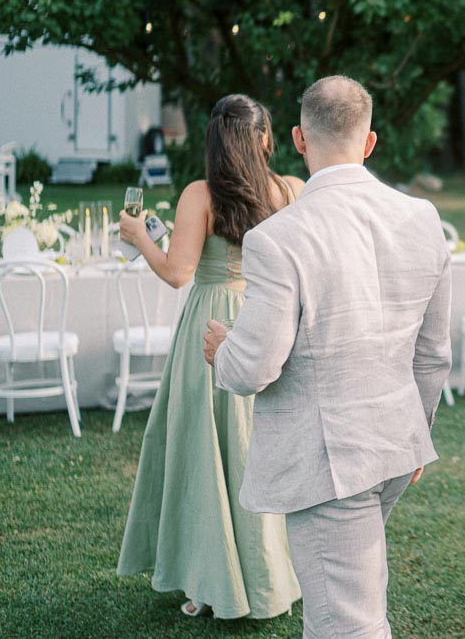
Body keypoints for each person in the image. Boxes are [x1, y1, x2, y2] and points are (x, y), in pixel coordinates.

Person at [202, 75, 453, 639]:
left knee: (346, 624)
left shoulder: (278, 238)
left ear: (297, 138)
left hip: (329, 462)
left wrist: (224, 352)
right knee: (351, 610)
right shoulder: (422, 218)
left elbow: (254, 367)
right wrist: (417, 431)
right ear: (369, 143)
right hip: (392, 445)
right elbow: (434, 354)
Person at [117, 94, 304, 619]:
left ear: (215, 141)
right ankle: (271, 574)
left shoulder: (201, 194)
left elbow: (177, 273)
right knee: (261, 446)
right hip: (269, 318)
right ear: (264, 138)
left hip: (212, 323)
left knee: (206, 452)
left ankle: (208, 578)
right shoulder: (292, 190)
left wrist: (138, 236)